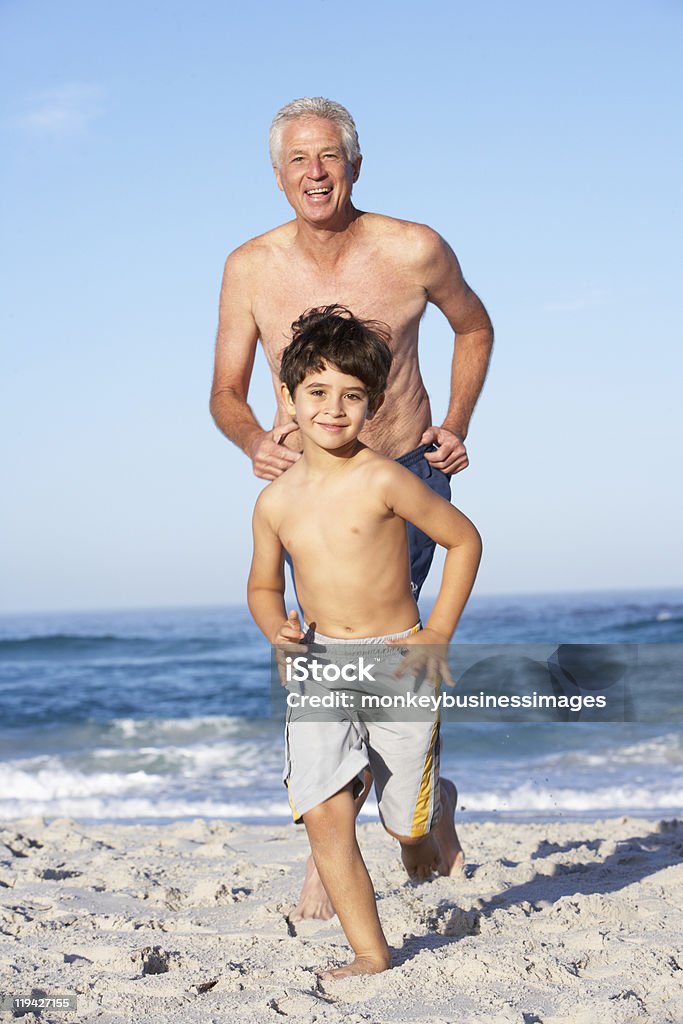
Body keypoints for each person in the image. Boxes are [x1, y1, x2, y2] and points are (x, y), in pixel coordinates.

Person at [210, 95, 493, 918]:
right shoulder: (250, 266)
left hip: (402, 472)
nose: (314, 172)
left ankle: (397, 813)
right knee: (322, 651)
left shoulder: (412, 248)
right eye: (297, 160)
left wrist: (456, 423)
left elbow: (473, 328)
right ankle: (342, 835)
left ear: (355, 164)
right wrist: (250, 440)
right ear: (277, 175)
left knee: (378, 656)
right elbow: (226, 393)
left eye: (328, 155)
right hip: (307, 486)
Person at [248, 306, 482, 978]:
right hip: (319, 664)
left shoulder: (384, 478)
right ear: (288, 399)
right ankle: (370, 953)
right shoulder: (274, 502)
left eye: (352, 395)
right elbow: (263, 587)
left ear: (374, 403)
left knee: (402, 829)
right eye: (317, 392)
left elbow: (462, 538)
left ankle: (431, 812)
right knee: (323, 812)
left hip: (396, 660)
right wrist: (277, 630)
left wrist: (437, 631)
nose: (334, 408)